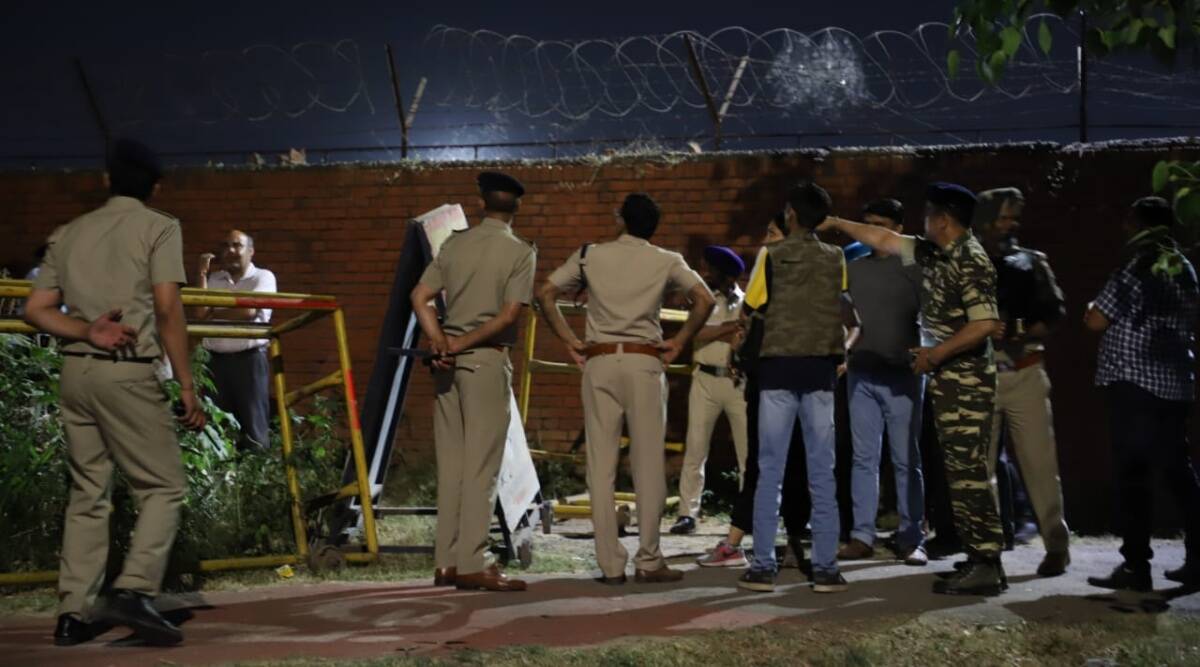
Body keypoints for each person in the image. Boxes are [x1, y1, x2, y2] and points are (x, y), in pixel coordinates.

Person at [24, 139, 206, 647]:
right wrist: (186, 384)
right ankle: (134, 589)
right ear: (156, 187)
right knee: (163, 485)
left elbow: (36, 310)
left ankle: (73, 614)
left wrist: (86, 330)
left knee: (88, 493)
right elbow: (168, 308)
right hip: (127, 368)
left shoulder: (69, 232)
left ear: (107, 180)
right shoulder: (159, 226)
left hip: (76, 371)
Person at [820, 183, 1007, 596]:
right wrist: (835, 222)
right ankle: (980, 558)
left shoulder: (971, 259)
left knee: (969, 474)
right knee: (960, 474)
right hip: (948, 380)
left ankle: (987, 561)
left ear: (943, 220)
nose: (924, 223)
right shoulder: (934, 253)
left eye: (928, 215)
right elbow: (882, 238)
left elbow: (984, 324)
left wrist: (935, 354)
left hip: (967, 381)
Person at [539, 193, 714, 585]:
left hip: (599, 361)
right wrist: (680, 340)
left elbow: (545, 292)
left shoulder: (589, 255)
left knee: (600, 467)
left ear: (621, 220)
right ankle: (649, 560)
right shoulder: (666, 259)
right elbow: (703, 298)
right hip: (644, 362)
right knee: (648, 465)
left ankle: (610, 566)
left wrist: (569, 340)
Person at [410, 171, 536, 592]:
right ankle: (473, 562)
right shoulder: (520, 252)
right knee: (482, 467)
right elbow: (508, 314)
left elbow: (419, 297)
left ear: (482, 203)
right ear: (517, 207)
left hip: (446, 366)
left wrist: (439, 340)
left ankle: (446, 562)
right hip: (484, 361)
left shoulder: (454, 244)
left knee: (453, 467)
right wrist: (461, 342)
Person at [1085, 196, 1200, 592]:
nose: (1125, 228)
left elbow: (1096, 319)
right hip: (1175, 385)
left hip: (1135, 385)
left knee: (1133, 476)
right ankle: (1198, 561)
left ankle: (1136, 567)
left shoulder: (1136, 266)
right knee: (1179, 474)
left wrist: (1091, 307)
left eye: (1129, 221)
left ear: (1138, 225)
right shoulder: (1184, 267)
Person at [738, 181, 848, 595]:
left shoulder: (771, 255)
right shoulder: (836, 257)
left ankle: (763, 566)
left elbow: (751, 305)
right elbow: (837, 304)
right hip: (820, 371)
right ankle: (826, 568)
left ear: (792, 215)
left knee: (771, 470)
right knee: (822, 472)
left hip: (778, 370)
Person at [697, 215, 810, 571]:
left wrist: (740, 349)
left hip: (770, 374)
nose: (766, 240)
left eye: (771, 232)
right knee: (797, 462)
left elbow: (749, 314)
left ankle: (737, 545)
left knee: (764, 464)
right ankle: (796, 543)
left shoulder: (770, 262)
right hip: (804, 374)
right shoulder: (818, 266)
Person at [974, 187, 1072, 577]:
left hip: (1025, 371)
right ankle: (987, 554)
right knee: (980, 471)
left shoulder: (1032, 262)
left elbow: (1055, 312)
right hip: (979, 376)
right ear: (985, 220)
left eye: (1014, 218)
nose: (1011, 225)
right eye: (1003, 217)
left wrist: (1022, 330)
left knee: (1040, 465)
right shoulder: (964, 263)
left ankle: (1057, 546)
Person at [838, 198, 928, 567]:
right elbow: (842, 314)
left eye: (881, 224)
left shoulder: (915, 266)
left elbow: (935, 314)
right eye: (868, 223)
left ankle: (912, 537)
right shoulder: (854, 269)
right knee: (864, 459)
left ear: (898, 229)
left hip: (903, 373)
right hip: (862, 372)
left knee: (906, 458)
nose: (872, 231)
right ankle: (862, 536)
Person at [671, 245, 748, 535]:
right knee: (696, 448)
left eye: (712, 270)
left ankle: (748, 513)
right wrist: (730, 328)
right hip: (705, 378)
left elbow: (746, 336)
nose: (706, 275)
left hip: (737, 381)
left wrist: (725, 331)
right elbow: (696, 333)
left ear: (727, 275)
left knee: (747, 451)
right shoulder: (703, 301)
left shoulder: (746, 302)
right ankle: (687, 513)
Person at [194, 230, 277, 450]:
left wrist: (214, 311)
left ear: (251, 251)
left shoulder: (263, 277)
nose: (230, 250)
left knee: (253, 427)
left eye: (237, 245)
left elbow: (248, 312)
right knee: (216, 428)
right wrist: (202, 274)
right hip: (215, 362)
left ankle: (256, 469)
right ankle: (223, 470)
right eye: (226, 246)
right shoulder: (214, 279)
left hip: (248, 361)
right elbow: (200, 313)